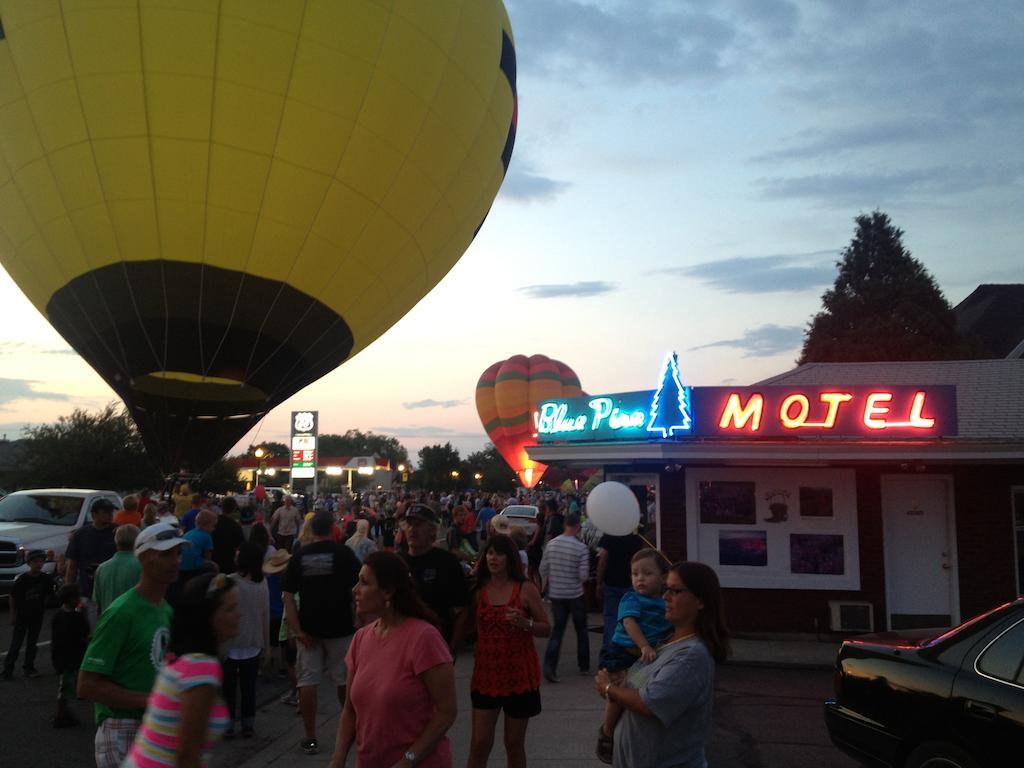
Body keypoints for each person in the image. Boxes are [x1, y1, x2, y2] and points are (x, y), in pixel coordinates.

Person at [594, 561, 731, 768]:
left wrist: (607, 688)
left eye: (675, 591)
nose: (665, 597)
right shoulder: (664, 641)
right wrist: (624, 682)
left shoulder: (690, 656)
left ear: (700, 601)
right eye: (666, 588)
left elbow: (648, 703)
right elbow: (639, 684)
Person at [328, 552, 457, 768]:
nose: (355, 590)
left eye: (364, 582)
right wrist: (338, 759)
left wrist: (408, 760)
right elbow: (350, 710)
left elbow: (446, 712)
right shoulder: (361, 639)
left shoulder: (424, 637)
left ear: (388, 591)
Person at [78, 522, 187, 768]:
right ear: (144, 558)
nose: (175, 561)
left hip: (154, 726)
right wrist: (151, 700)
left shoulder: (165, 610)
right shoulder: (121, 613)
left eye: (179, 553)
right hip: (122, 727)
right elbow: (87, 685)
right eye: (166, 554)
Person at [122, 571, 240, 768]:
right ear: (207, 617)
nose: (238, 615)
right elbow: (187, 756)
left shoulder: (185, 659)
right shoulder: (202, 667)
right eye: (229, 609)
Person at [464, 535, 551, 768]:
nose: (493, 558)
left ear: (509, 557)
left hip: (519, 678)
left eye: (499, 553)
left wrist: (525, 624)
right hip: (486, 677)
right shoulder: (477, 589)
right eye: (489, 553)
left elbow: (546, 628)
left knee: (513, 744)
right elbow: (464, 625)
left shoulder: (525, 589)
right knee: (479, 744)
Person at [282, 510, 361, 755]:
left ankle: (310, 735)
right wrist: (358, 618)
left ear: (312, 530)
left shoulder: (299, 556)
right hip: (340, 627)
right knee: (344, 682)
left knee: (307, 682)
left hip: (308, 629)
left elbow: (288, 598)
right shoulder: (344, 554)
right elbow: (359, 588)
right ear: (332, 529)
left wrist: (296, 630)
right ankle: (351, 731)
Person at [595, 549, 672, 763]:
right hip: (621, 652)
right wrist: (645, 646)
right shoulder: (631, 598)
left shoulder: (665, 601)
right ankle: (607, 732)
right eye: (635, 573)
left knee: (636, 697)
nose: (640, 578)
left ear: (663, 577)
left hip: (644, 657)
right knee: (618, 693)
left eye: (647, 573)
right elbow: (629, 622)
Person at [398, 504, 469, 652]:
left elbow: (462, 611)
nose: (412, 529)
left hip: (435, 647)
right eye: (409, 524)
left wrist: (452, 648)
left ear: (432, 531)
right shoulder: (396, 562)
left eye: (418, 525)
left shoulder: (447, 562)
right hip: (401, 647)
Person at [223, 542, 270, 739]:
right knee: (249, 687)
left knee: (228, 687)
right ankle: (248, 724)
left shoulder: (229, 581)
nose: (235, 554)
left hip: (231, 643)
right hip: (253, 642)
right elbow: (265, 614)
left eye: (238, 553)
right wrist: (266, 645)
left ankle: (228, 724)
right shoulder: (263, 582)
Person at [539, 512, 590, 682]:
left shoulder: (551, 545)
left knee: (557, 631)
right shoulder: (581, 548)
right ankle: (583, 666)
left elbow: (543, 569)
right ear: (577, 527)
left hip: (557, 594)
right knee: (581, 631)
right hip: (575, 594)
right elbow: (583, 576)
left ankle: (550, 666)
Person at [65, 497, 118, 627]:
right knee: (91, 630)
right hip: (88, 591)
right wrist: (68, 592)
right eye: (106, 512)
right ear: (94, 514)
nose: (110, 514)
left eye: (111, 511)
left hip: (112, 592)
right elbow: (72, 565)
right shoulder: (81, 535)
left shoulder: (118, 532)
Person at [596, 529, 646, 662]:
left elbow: (602, 560)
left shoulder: (608, 537)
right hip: (630, 584)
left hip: (611, 583)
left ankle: (610, 651)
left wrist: (599, 582)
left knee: (611, 619)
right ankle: (628, 649)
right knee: (630, 617)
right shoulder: (636, 540)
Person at [3, 549, 53, 680]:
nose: (39, 564)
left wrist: (43, 606)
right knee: (16, 643)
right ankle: (7, 670)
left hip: (37, 615)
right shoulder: (23, 579)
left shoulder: (46, 579)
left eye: (41, 561)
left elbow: (49, 594)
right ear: (29, 563)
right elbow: (12, 597)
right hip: (22, 615)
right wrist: (13, 614)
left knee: (32, 643)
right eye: (36, 561)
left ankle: (29, 667)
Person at [51, 583, 90, 727]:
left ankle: (64, 713)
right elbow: (85, 635)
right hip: (74, 656)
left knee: (65, 686)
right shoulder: (77, 617)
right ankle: (61, 715)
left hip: (61, 657)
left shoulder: (57, 616)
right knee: (67, 688)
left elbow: (55, 641)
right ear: (72, 600)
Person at [93, 524, 141, 615]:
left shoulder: (101, 569)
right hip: (133, 624)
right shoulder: (143, 567)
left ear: (116, 541)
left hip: (109, 622)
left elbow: (98, 606)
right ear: (137, 541)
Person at [212, 496, 245, 574]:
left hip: (213, 560)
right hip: (228, 561)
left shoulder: (213, 522)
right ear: (234, 508)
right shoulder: (235, 526)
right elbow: (240, 545)